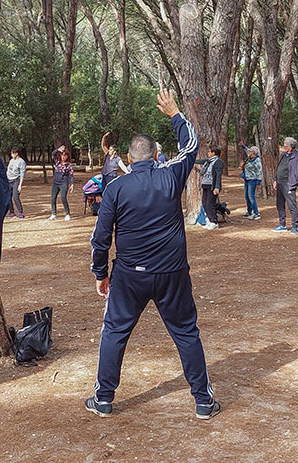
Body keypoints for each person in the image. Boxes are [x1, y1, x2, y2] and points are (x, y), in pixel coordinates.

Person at [87, 88, 219, 420]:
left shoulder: (116, 187)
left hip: (129, 275)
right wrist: (175, 112)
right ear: (155, 156)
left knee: (114, 332)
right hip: (172, 274)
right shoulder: (169, 176)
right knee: (186, 332)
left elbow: (101, 238)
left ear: (130, 159)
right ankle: (203, 401)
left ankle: (104, 398)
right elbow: (190, 146)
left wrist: (100, 274)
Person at [272, 137, 298, 234]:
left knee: (292, 205)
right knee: (280, 205)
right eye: (284, 144)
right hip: (280, 183)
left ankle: (294, 226)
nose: (284, 146)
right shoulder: (283, 155)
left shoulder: (296, 156)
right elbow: (279, 168)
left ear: (291, 146)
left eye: (286, 145)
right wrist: (276, 180)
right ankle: (282, 225)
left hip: (289, 184)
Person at [196, 146, 224, 229]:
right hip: (205, 184)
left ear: (213, 153)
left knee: (210, 204)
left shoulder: (218, 161)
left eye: (209, 151)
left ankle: (214, 221)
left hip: (212, 185)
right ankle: (209, 219)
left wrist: (217, 187)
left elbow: (218, 175)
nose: (208, 153)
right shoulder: (208, 161)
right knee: (204, 203)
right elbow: (201, 161)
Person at [238, 141, 262, 219]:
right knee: (246, 196)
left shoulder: (257, 160)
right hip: (247, 179)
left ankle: (256, 213)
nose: (249, 152)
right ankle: (249, 211)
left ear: (254, 152)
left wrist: (258, 182)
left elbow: (259, 171)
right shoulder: (249, 158)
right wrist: (243, 146)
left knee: (251, 196)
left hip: (253, 179)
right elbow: (246, 149)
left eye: (251, 151)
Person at [50, 148, 75, 221]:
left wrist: (72, 184)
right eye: (62, 155)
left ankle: (67, 214)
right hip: (55, 182)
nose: (63, 157)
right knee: (53, 198)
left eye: (65, 155)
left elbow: (71, 175)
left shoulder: (69, 165)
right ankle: (53, 214)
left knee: (63, 198)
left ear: (67, 156)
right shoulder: (57, 162)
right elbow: (53, 154)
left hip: (63, 183)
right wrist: (58, 149)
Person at [6, 147, 27, 219]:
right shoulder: (11, 161)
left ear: (16, 154)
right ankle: (11, 212)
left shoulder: (21, 162)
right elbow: (8, 171)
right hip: (9, 180)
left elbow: (22, 174)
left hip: (16, 180)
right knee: (8, 197)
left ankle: (21, 213)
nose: (11, 155)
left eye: (12, 153)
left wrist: (20, 185)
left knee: (15, 197)